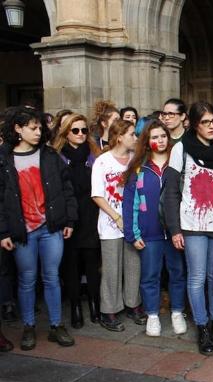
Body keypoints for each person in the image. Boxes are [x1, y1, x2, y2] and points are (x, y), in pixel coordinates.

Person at [0, 106, 78, 350]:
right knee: (27, 279)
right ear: (17, 129)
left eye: (39, 127)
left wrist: (69, 220)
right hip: (23, 231)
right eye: (32, 128)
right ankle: (29, 327)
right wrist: (3, 232)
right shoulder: (4, 158)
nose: (38, 132)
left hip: (51, 227)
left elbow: (67, 190)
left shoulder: (50, 155)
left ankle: (56, 326)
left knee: (52, 277)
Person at [162, 102, 213, 355]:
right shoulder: (182, 148)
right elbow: (170, 191)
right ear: (194, 125)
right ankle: (203, 327)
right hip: (191, 223)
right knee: (197, 277)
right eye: (205, 122)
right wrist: (174, 229)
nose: (212, 126)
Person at [121, 120, 187, 337]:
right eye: (155, 137)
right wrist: (132, 234)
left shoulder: (178, 164)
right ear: (147, 142)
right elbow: (129, 204)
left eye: (163, 136)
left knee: (177, 274)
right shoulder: (138, 168)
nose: (160, 140)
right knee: (150, 275)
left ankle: (177, 312)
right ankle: (152, 316)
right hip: (149, 233)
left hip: (176, 233)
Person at [91, 119, 145, 332]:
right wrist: (116, 217)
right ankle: (109, 310)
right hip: (110, 222)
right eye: (132, 134)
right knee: (112, 268)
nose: (136, 138)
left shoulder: (135, 160)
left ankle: (133, 304)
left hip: (133, 222)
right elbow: (97, 195)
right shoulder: (103, 161)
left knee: (133, 264)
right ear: (120, 136)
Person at [52, 114, 102, 328]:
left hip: (92, 215)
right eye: (75, 130)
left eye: (84, 130)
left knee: (92, 262)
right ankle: (74, 307)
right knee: (71, 264)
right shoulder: (56, 157)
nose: (81, 134)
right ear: (66, 132)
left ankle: (94, 303)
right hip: (69, 218)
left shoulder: (95, 155)